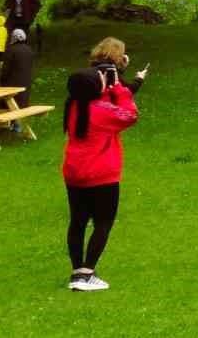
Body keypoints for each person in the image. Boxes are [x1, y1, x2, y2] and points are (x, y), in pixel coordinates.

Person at [62, 65, 139, 292]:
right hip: (102, 174)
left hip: (74, 172)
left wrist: (105, 88)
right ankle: (87, 272)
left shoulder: (74, 106)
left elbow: (96, 103)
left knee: (78, 221)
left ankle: (77, 270)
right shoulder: (103, 110)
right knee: (103, 222)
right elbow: (130, 115)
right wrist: (120, 90)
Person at [0, 28, 35, 131]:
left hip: (12, 82)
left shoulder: (11, 50)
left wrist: (2, 78)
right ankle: (17, 124)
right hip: (25, 81)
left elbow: (6, 68)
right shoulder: (29, 49)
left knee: (10, 102)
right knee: (22, 102)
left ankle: (12, 124)